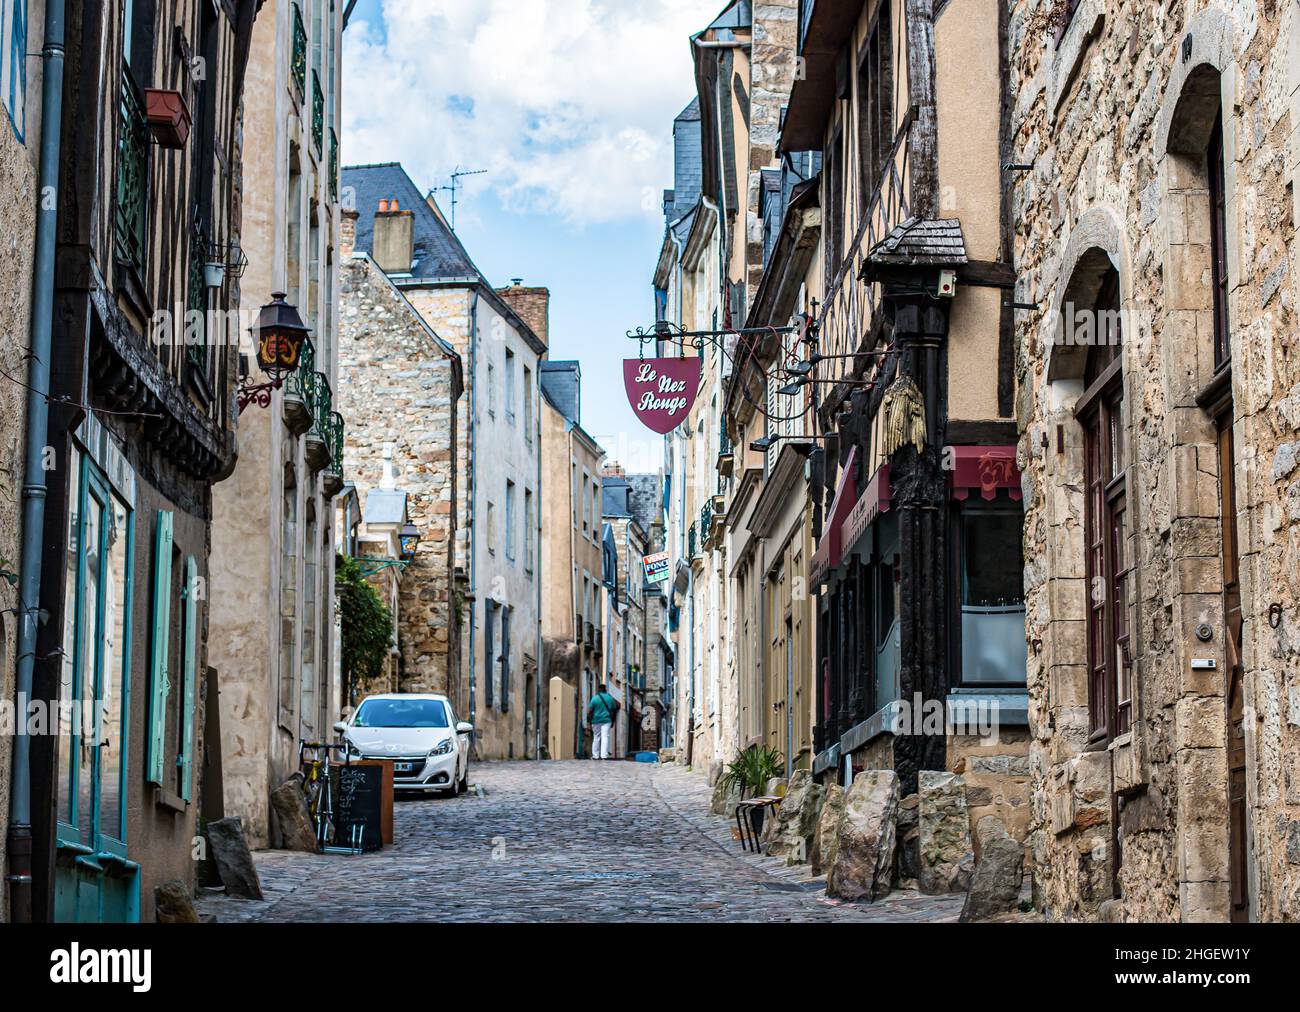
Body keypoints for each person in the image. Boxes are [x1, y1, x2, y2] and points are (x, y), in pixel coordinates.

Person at [587, 683, 620, 760]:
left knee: (596, 737)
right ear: (605, 689)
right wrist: (613, 721)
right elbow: (614, 711)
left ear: (599, 689)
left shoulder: (594, 698)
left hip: (596, 720)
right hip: (607, 720)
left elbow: (590, 711)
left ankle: (595, 755)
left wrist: (590, 721)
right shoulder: (610, 698)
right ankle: (604, 755)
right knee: (605, 737)